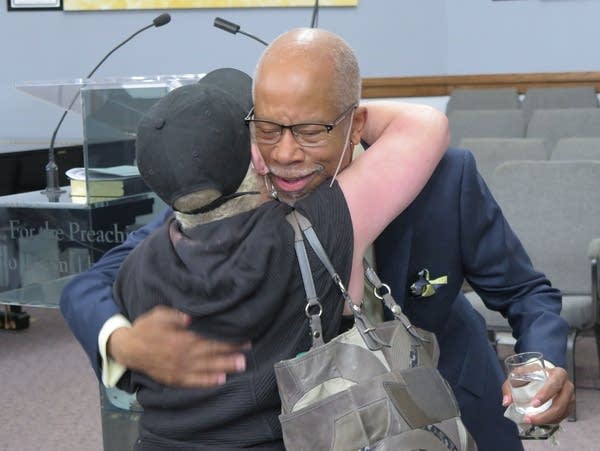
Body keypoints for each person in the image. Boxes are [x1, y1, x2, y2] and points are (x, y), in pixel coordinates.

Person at [60, 28, 574, 451]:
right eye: (267, 130)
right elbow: (90, 284)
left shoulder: (445, 180)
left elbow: (525, 293)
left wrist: (544, 363)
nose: (283, 155)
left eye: (311, 130)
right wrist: (121, 340)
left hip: (449, 415)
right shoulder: (236, 198)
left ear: (357, 126)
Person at [110, 61, 447, 449]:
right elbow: (423, 125)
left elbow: (130, 377)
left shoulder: (133, 268)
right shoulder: (305, 233)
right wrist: (325, 113)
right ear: (255, 157)